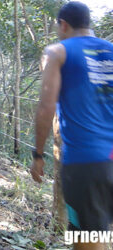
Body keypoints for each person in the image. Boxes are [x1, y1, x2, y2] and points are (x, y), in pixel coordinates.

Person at [30, 2, 113, 249]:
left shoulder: (58, 52)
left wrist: (38, 154)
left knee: (87, 239)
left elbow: (46, 108)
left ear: (63, 25)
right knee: (90, 233)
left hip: (86, 162)